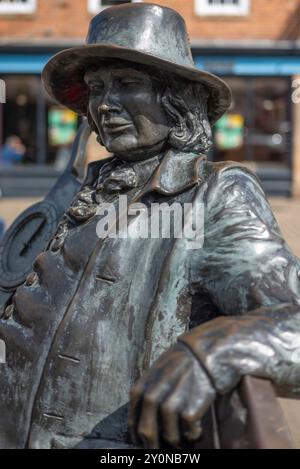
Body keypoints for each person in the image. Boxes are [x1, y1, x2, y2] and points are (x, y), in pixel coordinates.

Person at [0, 3, 299, 449]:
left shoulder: (215, 194)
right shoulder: (89, 185)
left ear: (176, 97)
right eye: (97, 87)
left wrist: (213, 352)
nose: (104, 103)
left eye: (128, 84)